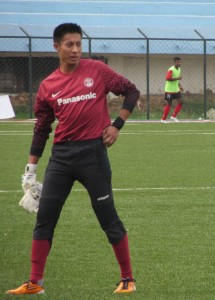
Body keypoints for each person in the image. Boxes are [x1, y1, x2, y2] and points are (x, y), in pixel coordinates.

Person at [6, 23, 139, 295]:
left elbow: (131, 91)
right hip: (62, 158)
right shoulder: (48, 86)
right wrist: (30, 170)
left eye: (78, 44)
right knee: (44, 218)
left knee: (107, 217)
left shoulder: (97, 70)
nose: (76, 49)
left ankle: (127, 279)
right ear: (57, 47)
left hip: (93, 156)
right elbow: (42, 128)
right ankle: (35, 283)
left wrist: (116, 125)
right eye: (69, 44)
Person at [161, 56, 184, 123]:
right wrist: (177, 79)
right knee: (169, 104)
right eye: (177, 62)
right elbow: (167, 78)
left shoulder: (179, 69)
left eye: (180, 62)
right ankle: (163, 119)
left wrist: (180, 86)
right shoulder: (171, 69)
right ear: (174, 63)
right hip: (169, 90)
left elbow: (177, 79)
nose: (179, 63)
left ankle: (173, 116)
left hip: (176, 89)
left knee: (181, 102)